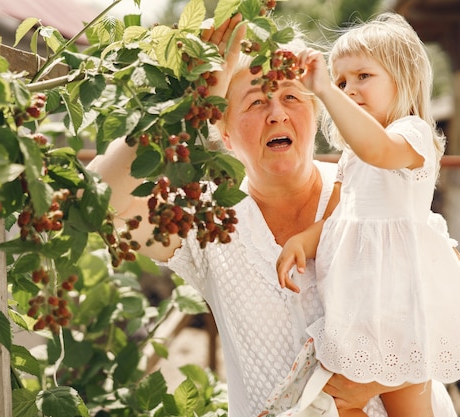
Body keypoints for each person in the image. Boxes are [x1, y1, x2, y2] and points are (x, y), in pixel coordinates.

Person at [87, 13, 457, 417]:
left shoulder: (380, 193)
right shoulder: (210, 220)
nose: (277, 113)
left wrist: (388, 376)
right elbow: (98, 202)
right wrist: (187, 102)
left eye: (292, 97)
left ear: (317, 113)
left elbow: (443, 302)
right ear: (223, 132)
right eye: (257, 101)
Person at [275, 12, 460, 417]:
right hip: (358, 310)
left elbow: (378, 149)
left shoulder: (412, 135)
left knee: (405, 409)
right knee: (339, 405)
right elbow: (339, 217)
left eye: (363, 76)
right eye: (341, 81)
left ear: (403, 79)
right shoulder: (351, 158)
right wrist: (301, 241)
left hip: (401, 309)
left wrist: (325, 89)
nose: (349, 89)